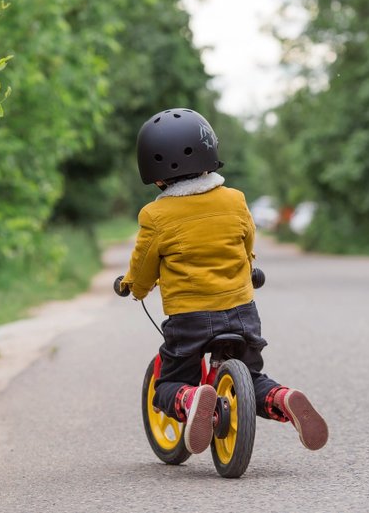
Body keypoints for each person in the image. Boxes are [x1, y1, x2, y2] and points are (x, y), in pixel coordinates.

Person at [119, 108, 328, 455]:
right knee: (253, 378)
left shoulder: (155, 215)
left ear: (155, 174)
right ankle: (282, 397)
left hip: (190, 319)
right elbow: (246, 244)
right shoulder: (235, 200)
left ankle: (190, 397)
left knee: (168, 382)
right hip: (242, 313)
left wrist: (135, 287)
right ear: (209, 153)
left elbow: (142, 268)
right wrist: (249, 268)